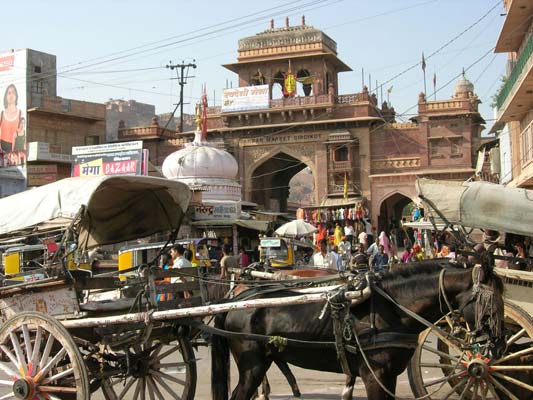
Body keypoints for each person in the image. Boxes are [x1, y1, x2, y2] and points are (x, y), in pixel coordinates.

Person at [0, 84, 25, 153]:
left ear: (16, 96)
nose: (11, 95)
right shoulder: (1, 114)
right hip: (2, 150)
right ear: (6, 96)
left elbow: (23, 133)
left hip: (15, 150)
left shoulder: (20, 113)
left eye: (13, 93)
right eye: (9, 93)